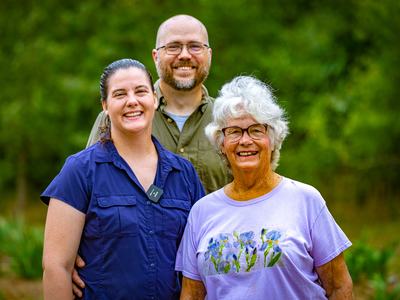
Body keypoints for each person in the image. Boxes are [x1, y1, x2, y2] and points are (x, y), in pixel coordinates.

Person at [176, 76, 353, 299]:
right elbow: (191, 295)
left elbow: (338, 286)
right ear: (221, 143)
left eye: (256, 130)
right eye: (234, 131)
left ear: (273, 138)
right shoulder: (202, 212)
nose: (245, 140)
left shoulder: (306, 200)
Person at [41, 58, 205, 299]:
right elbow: (56, 267)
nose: (132, 101)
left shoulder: (184, 173)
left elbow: (202, 257)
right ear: (105, 105)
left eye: (140, 91)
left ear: (154, 99)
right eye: (120, 94)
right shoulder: (79, 170)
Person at [86, 14, 231, 194]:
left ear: (208, 55)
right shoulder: (117, 118)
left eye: (195, 46)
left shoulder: (230, 121)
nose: (184, 55)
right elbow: (89, 188)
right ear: (156, 56)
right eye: (173, 47)